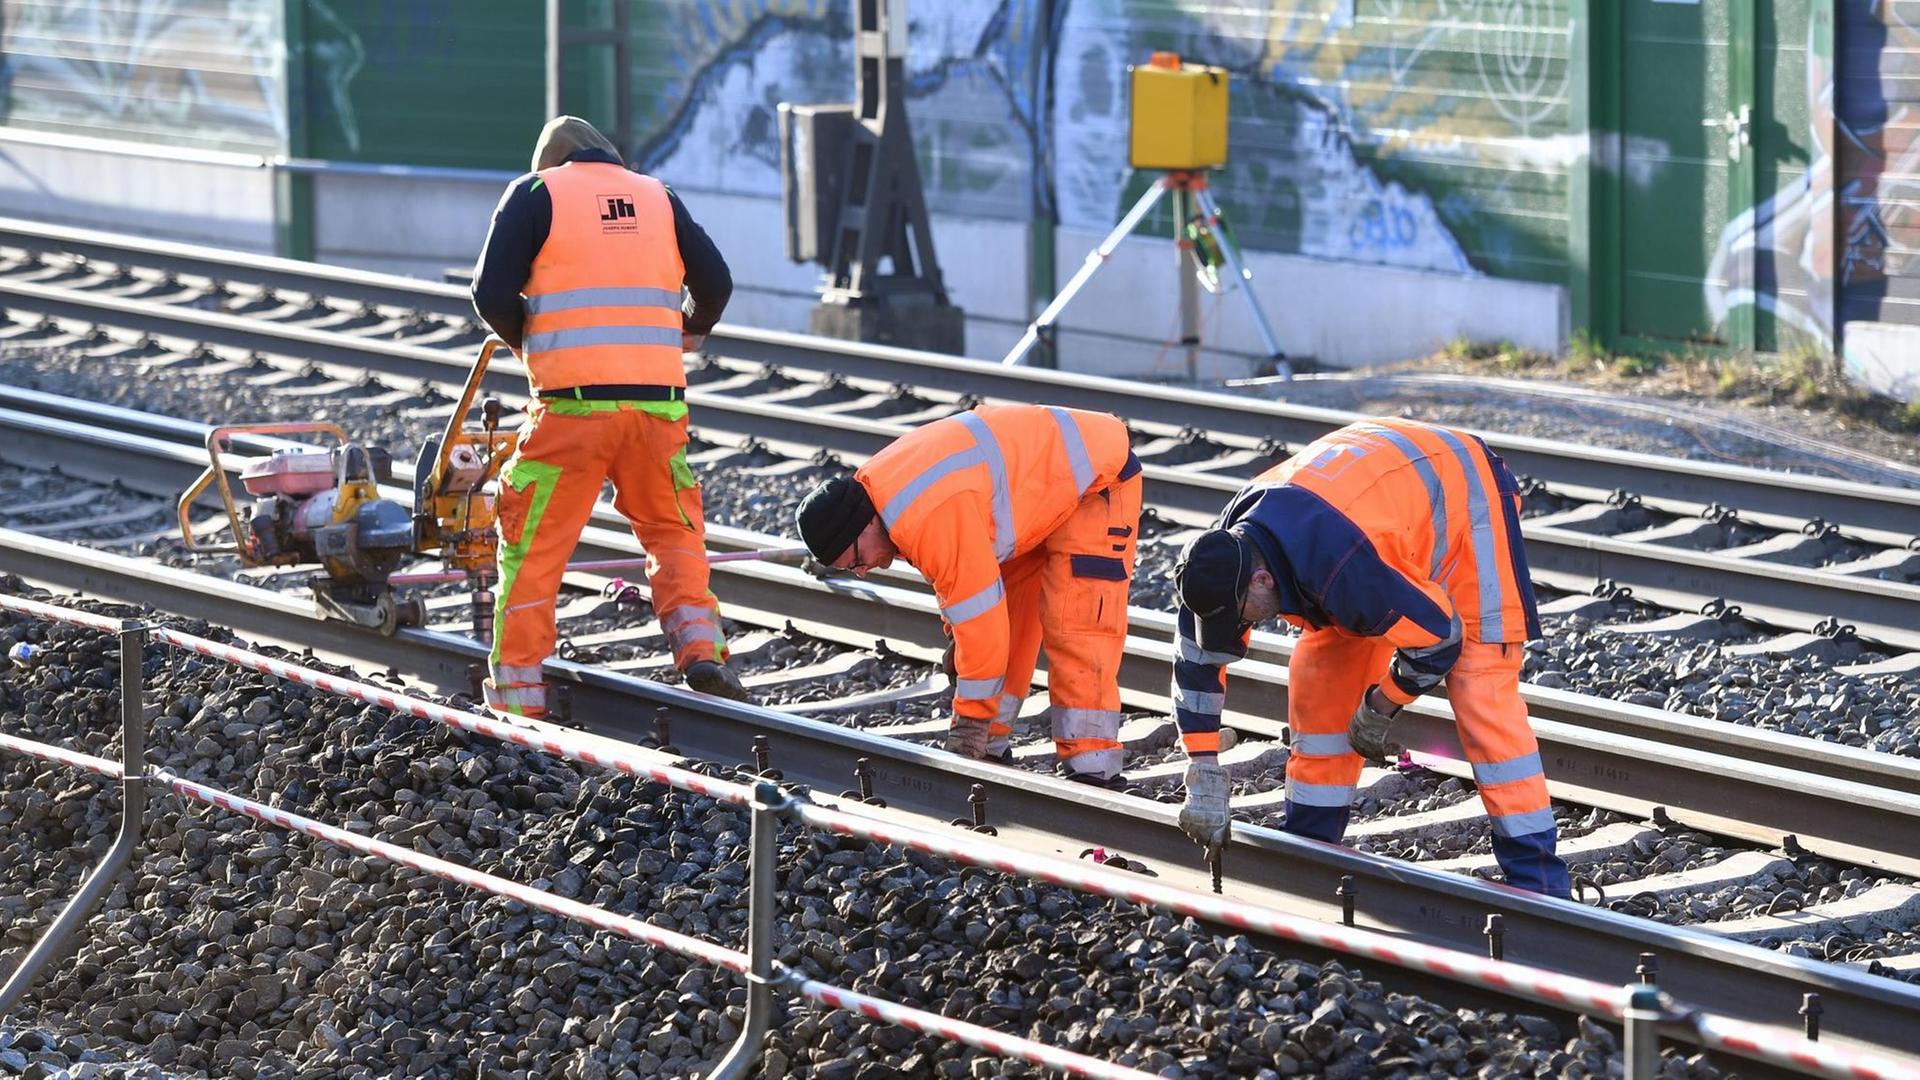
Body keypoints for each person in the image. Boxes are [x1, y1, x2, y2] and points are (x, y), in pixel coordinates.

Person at [1170, 417, 1570, 897]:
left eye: (1242, 617)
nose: (1242, 628)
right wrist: (1203, 771)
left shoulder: (1345, 567)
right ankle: (1311, 844)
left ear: (1262, 581)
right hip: (1372, 496)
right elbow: (1197, 664)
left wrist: (1380, 705)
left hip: (1466, 492)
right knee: (1322, 678)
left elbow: (1439, 640)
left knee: (1479, 686)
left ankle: (1539, 878)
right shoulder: (1219, 557)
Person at [469, 115, 748, 717]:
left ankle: (518, 692)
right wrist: (691, 331)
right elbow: (717, 283)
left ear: (553, 163)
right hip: (657, 408)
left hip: (572, 408)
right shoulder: (659, 197)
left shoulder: (536, 193)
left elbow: (489, 295)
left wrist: (530, 341)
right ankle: (701, 649)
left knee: (534, 544)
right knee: (673, 531)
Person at [794, 404, 1143, 782]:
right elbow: (964, 594)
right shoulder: (883, 498)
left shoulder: (924, 514)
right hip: (1036, 496)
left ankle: (1093, 768)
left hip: (1098, 480)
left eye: (855, 561)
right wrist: (957, 641)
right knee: (1007, 617)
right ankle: (991, 747)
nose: (864, 570)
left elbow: (979, 625)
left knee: (1077, 624)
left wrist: (968, 726)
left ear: (861, 527)